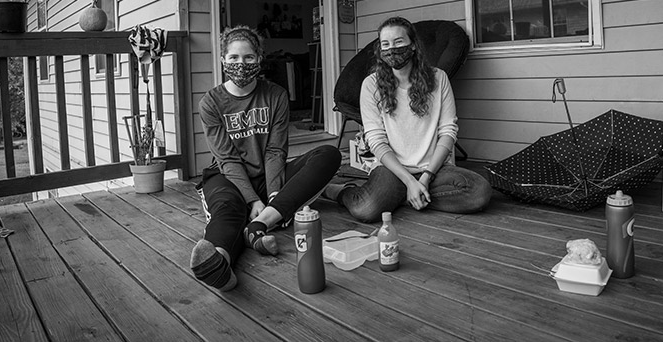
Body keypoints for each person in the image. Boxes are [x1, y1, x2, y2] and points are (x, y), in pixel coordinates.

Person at [190, 25, 341, 291]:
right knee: (228, 209)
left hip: (269, 175)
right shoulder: (211, 103)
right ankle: (220, 262)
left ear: (259, 59)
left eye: (249, 58)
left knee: (328, 154)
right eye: (234, 58)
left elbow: (275, 151)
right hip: (228, 177)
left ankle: (261, 223)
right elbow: (227, 159)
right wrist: (251, 199)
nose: (241, 64)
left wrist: (272, 196)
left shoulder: (275, 95)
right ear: (223, 60)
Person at [326, 16, 491, 222]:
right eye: (385, 44)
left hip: (434, 169)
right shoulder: (371, 85)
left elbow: (448, 131)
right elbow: (376, 140)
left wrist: (425, 177)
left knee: (479, 193)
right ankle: (343, 192)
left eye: (398, 42)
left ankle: (403, 198)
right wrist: (409, 181)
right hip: (392, 170)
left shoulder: (439, 78)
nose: (391, 49)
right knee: (365, 209)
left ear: (413, 46)